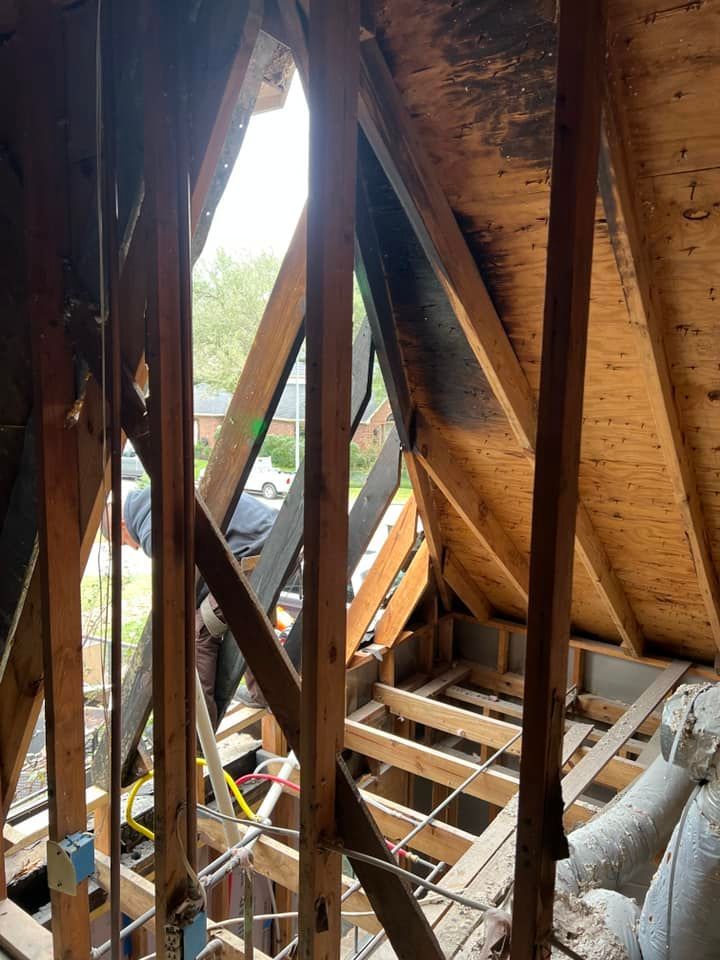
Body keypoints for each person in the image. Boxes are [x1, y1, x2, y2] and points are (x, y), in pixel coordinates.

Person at [118, 485, 276, 727]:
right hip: (272, 545)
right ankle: (264, 694)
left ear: (122, 525)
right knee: (245, 621)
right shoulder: (159, 499)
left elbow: (178, 591)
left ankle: (197, 732)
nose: (133, 547)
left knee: (201, 628)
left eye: (123, 542)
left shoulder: (151, 530)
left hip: (253, 559)